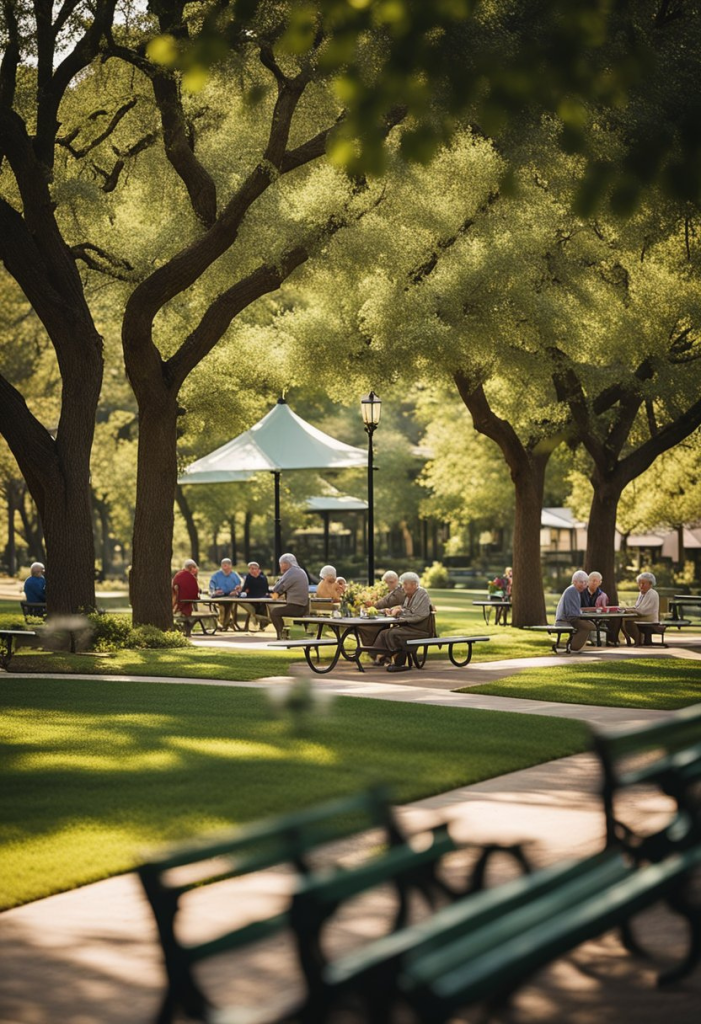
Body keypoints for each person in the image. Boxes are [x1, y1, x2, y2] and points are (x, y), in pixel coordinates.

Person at [371, 571, 433, 672]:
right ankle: (381, 656)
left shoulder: (421, 593)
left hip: (420, 630)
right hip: (412, 627)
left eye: (404, 584)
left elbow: (417, 614)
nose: (402, 587)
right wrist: (390, 611)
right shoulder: (410, 595)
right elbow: (405, 609)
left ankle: (398, 663)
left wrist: (399, 612)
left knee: (393, 633)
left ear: (413, 584)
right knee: (384, 633)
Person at [358, 570, 405, 650]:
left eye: (389, 582)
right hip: (395, 620)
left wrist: (373, 606)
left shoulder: (398, 592)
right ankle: (376, 652)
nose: (387, 585)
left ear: (395, 581)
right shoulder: (393, 590)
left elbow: (385, 602)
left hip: (401, 622)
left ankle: (376, 652)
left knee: (371, 627)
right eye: (385, 583)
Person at [270, 553, 309, 639]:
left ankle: (281, 635)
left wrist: (273, 596)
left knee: (274, 612)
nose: (280, 566)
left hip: (296, 607)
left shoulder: (291, 572)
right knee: (277, 610)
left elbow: (278, 588)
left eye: (281, 564)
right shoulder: (300, 571)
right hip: (303, 606)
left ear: (286, 564)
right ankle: (283, 634)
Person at [555, 570, 596, 652]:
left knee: (591, 625)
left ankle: (573, 645)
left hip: (570, 618)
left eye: (585, 582)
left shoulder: (575, 591)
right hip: (565, 620)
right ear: (574, 582)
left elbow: (575, 610)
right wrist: (581, 615)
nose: (584, 585)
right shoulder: (572, 590)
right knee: (588, 626)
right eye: (581, 582)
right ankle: (573, 647)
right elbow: (572, 614)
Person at [622, 571, 660, 647]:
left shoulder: (652, 594)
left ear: (650, 584)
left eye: (643, 583)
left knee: (628, 620)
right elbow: (637, 607)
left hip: (649, 619)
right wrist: (626, 609)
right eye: (640, 583)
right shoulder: (642, 593)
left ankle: (638, 640)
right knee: (623, 618)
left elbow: (644, 611)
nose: (641, 586)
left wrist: (630, 610)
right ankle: (637, 640)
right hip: (642, 617)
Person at [208, 558, 242, 630]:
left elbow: (240, 586)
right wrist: (214, 592)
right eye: (222, 565)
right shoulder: (216, 576)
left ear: (230, 566)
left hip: (231, 596)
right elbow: (211, 586)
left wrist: (236, 591)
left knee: (229, 606)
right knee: (222, 607)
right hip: (219, 596)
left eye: (226, 565)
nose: (224, 567)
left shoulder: (234, 575)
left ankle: (225, 624)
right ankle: (222, 623)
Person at [239, 561, 271, 630]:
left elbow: (266, 590)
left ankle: (264, 622)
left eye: (254, 569)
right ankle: (260, 622)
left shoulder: (263, 578)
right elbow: (244, 589)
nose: (252, 570)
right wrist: (242, 593)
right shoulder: (248, 577)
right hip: (251, 598)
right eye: (250, 569)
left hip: (262, 598)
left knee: (262, 605)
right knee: (253, 607)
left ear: (258, 570)